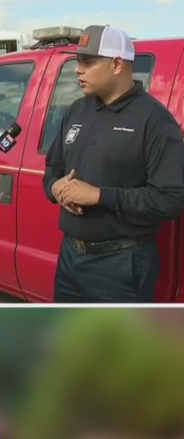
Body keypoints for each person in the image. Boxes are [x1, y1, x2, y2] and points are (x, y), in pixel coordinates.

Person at [43, 24, 184, 303]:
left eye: (87, 62)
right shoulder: (76, 110)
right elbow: (52, 170)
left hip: (122, 265)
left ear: (117, 64)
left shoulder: (154, 121)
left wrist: (99, 196)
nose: (77, 70)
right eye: (77, 62)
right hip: (70, 257)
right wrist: (56, 188)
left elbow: (171, 199)